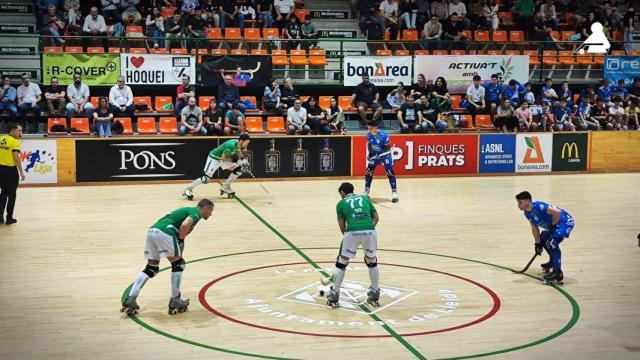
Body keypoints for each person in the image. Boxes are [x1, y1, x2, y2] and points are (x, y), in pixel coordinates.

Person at [120, 199, 215, 315]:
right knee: (178, 265)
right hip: (165, 232)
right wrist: (180, 241)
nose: (211, 214)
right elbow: (185, 225)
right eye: (211, 211)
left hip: (153, 230)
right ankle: (175, 300)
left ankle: (130, 298)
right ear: (206, 208)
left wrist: (180, 245)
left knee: (151, 268)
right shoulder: (196, 212)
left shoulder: (186, 210)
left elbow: (181, 235)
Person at [325, 182, 381, 308]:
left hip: (352, 231)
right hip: (370, 230)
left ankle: (334, 294)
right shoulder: (365, 199)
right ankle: (375, 293)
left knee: (342, 262)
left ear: (342, 193)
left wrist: (351, 236)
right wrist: (367, 229)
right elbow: (376, 218)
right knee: (372, 261)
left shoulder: (341, 204)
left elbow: (342, 227)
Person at [515, 191, 575, 284]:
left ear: (528, 201)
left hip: (564, 222)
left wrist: (553, 225)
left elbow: (557, 213)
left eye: (520, 202)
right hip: (554, 225)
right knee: (543, 240)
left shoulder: (539, 206)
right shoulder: (527, 213)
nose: (518, 205)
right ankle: (553, 261)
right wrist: (537, 243)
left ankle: (557, 272)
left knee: (551, 243)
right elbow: (534, 228)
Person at [182, 133, 251, 199]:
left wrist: (242, 159)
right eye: (247, 143)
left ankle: (225, 187)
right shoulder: (231, 145)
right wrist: (236, 161)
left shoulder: (238, 144)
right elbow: (224, 158)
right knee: (206, 179)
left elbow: (237, 150)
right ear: (241, 140)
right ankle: (188, 189)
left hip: (222, 159)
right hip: (214, 158)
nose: (247, 144)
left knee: (238, 170)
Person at [364, 121, 398, 202]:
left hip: (385, 155)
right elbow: (369, 145)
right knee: (368, 172)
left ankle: (394, 192)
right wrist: (370, 154)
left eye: (370, 128)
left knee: (389, 172)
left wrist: (381, 155)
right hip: (375, 155)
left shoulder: (383, 135)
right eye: (368, 128)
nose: (369, 130)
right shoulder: (368, 135)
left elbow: (388, 147)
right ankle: (366, 191)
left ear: (375, 128)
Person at [0, 123, 25, 225]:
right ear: (13, 130)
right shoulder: (14, 142)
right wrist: (21, 171)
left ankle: (0, 218)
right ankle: (9, 218)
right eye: (19, 131)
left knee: (3, 193)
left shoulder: (1, 139)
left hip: (0, 170)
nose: (21, 133)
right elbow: (16, 158)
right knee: (12, 194)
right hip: (10, 171)